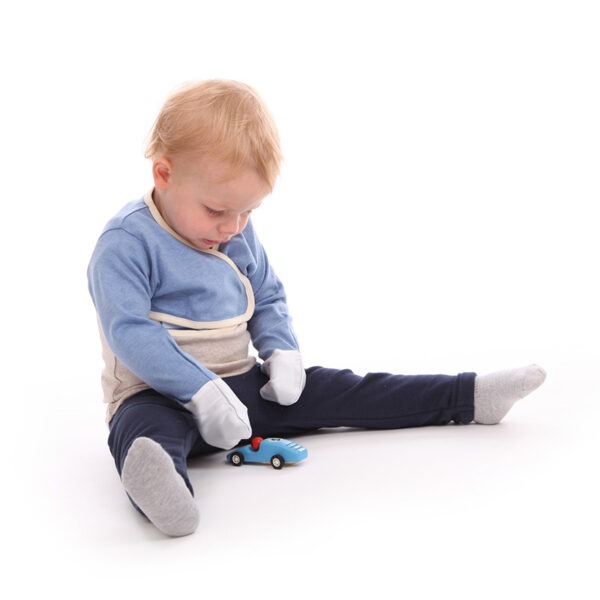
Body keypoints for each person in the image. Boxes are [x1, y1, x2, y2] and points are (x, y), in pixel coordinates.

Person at [87, 79, 546, 537]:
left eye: (248, 212)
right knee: (143, 431)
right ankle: (162, 487)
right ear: (163, 174)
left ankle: (469, 396)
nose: (232, 227)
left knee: (349, 390)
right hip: (157, 396)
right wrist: (200, 391)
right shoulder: (126, 244)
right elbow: (129, 332)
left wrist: (282, 352)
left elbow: (265, 294)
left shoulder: (236, 230)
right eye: (216, 211)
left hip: (243, 389)